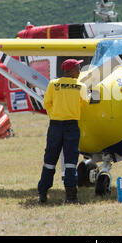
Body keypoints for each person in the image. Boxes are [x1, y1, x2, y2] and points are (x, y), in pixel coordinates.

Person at [38, 59, 89, 204]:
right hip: (71, 127)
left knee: (49, 160)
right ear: (71, 70)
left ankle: (42, 193)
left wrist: (56, 114)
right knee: (71, 162)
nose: (79, 71)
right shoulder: (81, 86)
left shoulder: (53, 84)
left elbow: (46, 103)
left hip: (55, 126)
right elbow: (85, 102)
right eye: (78, 68)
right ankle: (71, 196)